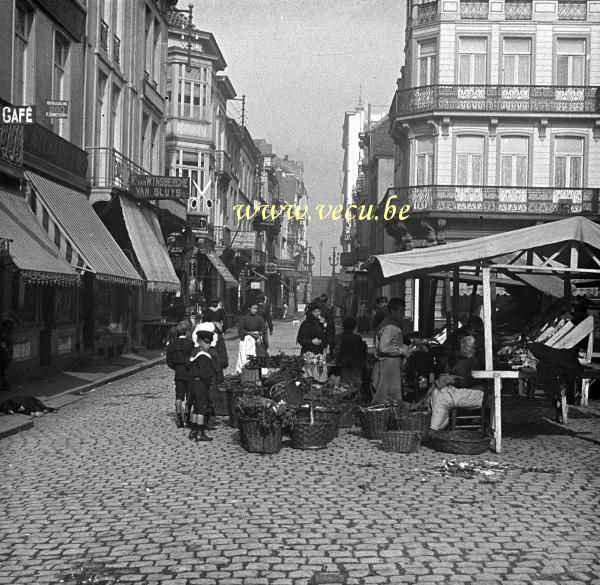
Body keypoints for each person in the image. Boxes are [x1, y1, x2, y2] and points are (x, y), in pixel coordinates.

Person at [419, 335, 485, 433]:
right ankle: (435, 424)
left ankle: (434, 428)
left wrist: (453, 380)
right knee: (438, 391)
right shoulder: (464, 360)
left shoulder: (475, 362)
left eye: (461, 348)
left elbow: (470, 381)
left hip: (474, 392)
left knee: (441, 395)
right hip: (463, 388)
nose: (459, 350)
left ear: (466, 349)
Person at [371, 297, 415, 404]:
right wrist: (401, 351)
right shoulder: (389, 326)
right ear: (392, 311)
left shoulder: (393, 323)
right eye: (400, 311)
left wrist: (404, 347)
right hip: (388, 367)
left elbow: (393, 343)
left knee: (390, 400)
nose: (402, 314)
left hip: (391, 366)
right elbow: (384, 347)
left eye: (403, 311)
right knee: (386, 399)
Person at [187, 329, 217, 442]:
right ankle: (200, 432)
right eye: (206, 342)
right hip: (201, 385)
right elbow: (206, 374)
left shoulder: (194, 353)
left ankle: (193, 430)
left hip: (192, 383)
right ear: (199, 341)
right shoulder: (204, 356)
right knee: (201, 408)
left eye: (209, 342)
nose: (208, 345)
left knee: (195, 407)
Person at [165, 320, 194, 428]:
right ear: (187, 332)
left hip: (179, 372)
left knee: (179, 396)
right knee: (189, 395)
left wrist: (176, 367)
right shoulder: (191, 344)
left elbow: (169, 360)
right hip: (189, 372)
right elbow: (194, 358)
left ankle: (179, 419)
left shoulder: (172, 344)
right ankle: (187, 416)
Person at [236, 301, 269, 380]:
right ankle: (245, 373)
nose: (255, 310)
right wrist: (249, 333)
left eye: (256, 309)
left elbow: (263, 330)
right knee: (245, 357)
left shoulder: (259, 318)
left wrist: (259, 335)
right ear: (249, 309)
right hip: (247, 340)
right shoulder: (244, 319)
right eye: (253, 308)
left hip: (257, 340)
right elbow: (240, 330)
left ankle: (259, 374)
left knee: (258, 354)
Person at [331, 317, 368, 384]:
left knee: (342, 386)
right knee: (354, 386)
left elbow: (332, 352)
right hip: (354, 367)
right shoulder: (357, 338)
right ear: (354, 327)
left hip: (341, 366)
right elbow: (362, 353)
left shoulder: (337, 337)